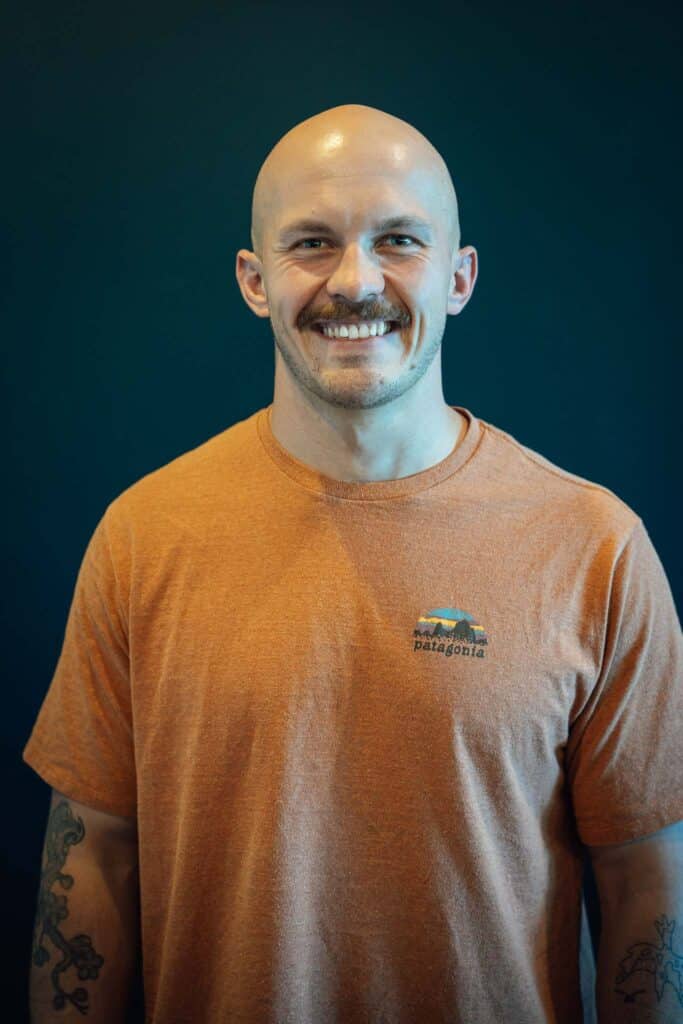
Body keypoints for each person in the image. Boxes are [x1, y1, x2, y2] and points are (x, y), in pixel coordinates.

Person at [24, 103, 683, 1024]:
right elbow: (93, 858)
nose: (355, 280)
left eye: (399, 240)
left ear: (459, 277)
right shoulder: (144, 535)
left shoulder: (594, 547)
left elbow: (644, 887)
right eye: (311, 243)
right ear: (254, 281)